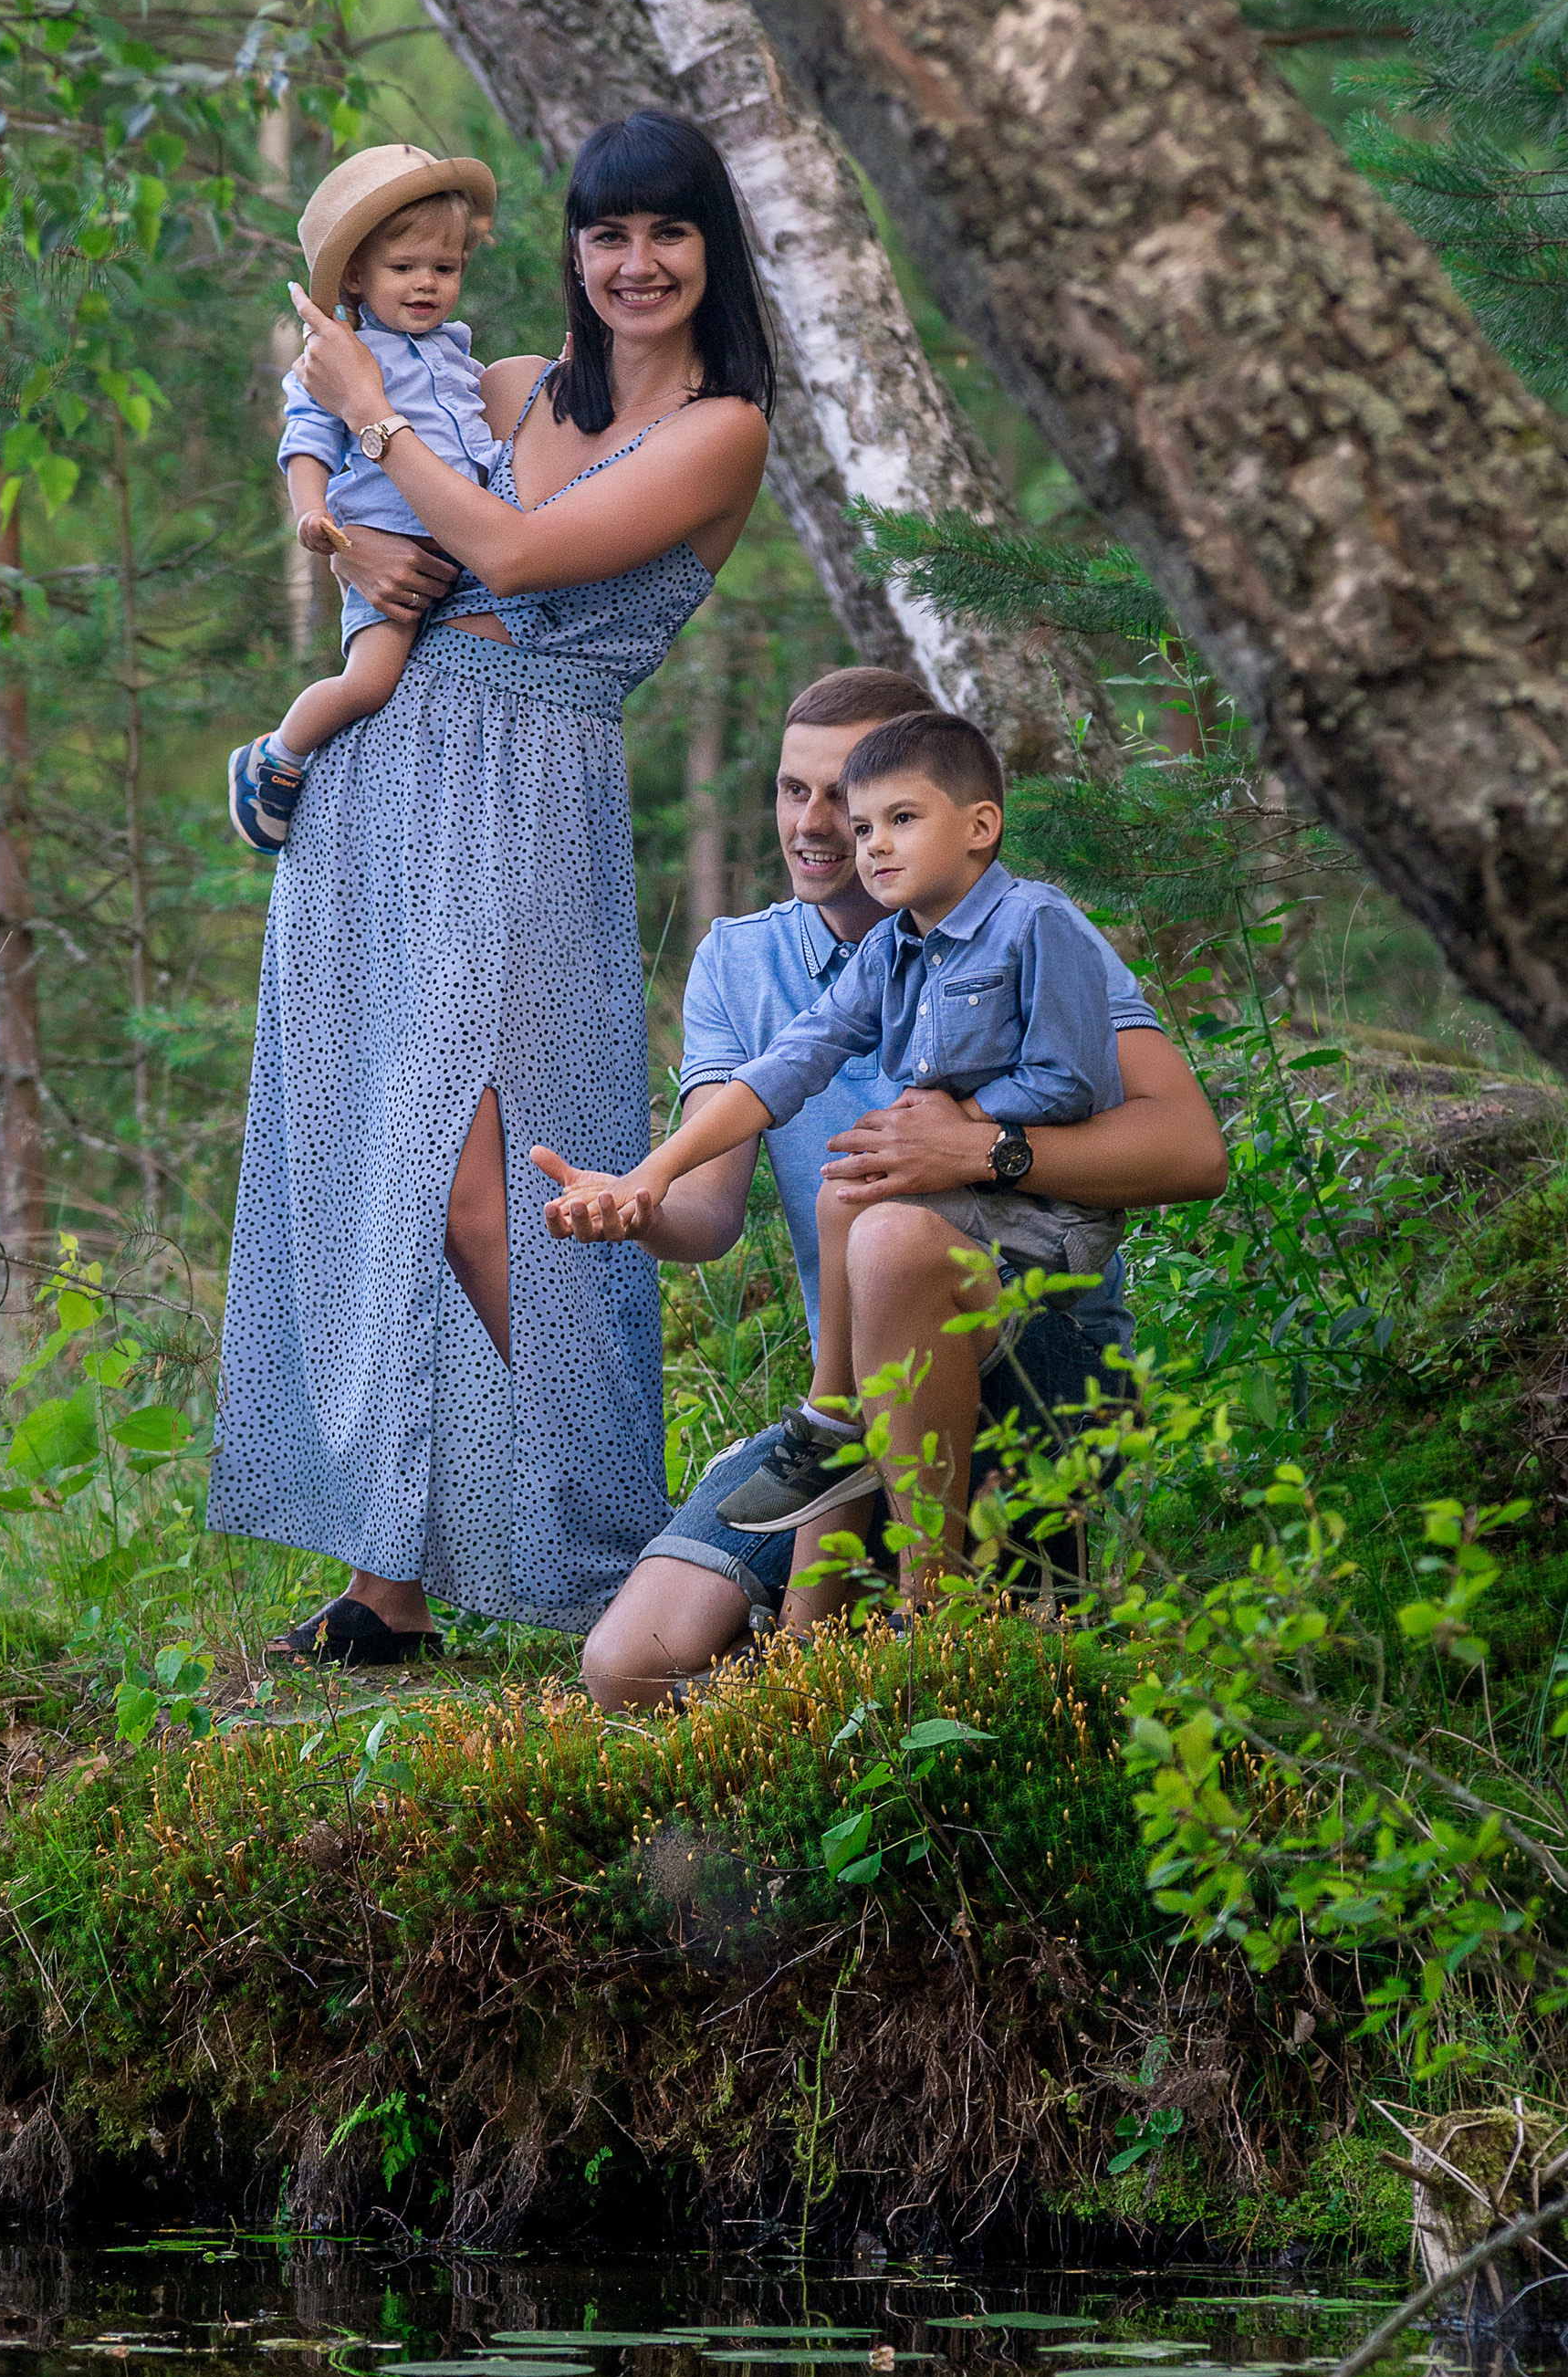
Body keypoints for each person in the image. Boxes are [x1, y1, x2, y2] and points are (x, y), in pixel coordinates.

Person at [207, 110, 773, 1664]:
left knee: (502, 1189)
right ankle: (388, 1580)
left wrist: (373, 416)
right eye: (607, 234)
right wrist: (347, 549)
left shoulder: (722, 428)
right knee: (382, 1160)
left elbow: (513, 560)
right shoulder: (509, 386)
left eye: (667, 232)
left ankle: (608, 1561)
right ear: (576, 252)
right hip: (381, 777)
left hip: (528, 790)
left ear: (711, 250)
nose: (635, 263)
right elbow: (375, 493)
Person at [531, 667, 1229, 1712]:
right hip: (864, 1388)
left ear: (965, 816)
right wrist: (639, 1194)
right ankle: (817, 1649)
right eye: (796, 792)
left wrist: (980, 1147)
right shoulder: (750, 960)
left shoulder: (1033, 932)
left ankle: (925, 1611)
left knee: (890, 1233)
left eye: (868, 805)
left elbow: (1188, 1151)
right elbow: (710, 1213)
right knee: (628, 1667)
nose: (822, 828)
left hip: (1028, 1354)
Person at [227, 143, 500, 853]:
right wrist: (312, 513)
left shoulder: (455, 351)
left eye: (445, 268)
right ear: (356, 275)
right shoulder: (344, 355)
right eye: (403, 268)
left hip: (462, 546)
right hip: (389, 544)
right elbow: (308, 438)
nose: (426, 284)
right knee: (372, 683)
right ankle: (275, 756)